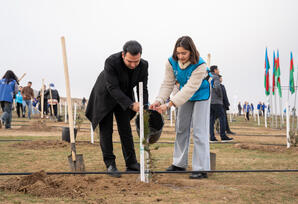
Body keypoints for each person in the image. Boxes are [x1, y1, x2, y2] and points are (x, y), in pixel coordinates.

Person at [150, 36, 211, 179]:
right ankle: (179, 163)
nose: (181, 56)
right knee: (181, 127)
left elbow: (190, 88)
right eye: (178, 53)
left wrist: (169, 104)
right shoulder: (171, 62)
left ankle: (201, 168)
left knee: (199, 130)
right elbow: (168, 83)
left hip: (201, 93)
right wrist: (159, 100)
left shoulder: (200, 65)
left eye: (184, 53)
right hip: (183, 95)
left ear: (191, 51)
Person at [86, 40, 148, 178]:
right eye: (130, 61)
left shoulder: (143, 65)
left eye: (136, 61)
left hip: (124, 97)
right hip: (105, 95)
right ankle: (110, 164)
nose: (133, 65)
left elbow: (143, 87)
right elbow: (112, 87)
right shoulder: (111, 62)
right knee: (106, 130)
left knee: (125, 129)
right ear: (123, 55)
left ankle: (131, 163)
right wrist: (132, 105)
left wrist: (145, 105)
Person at [209, 66, 233, 142]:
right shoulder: (216, 77)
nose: (219, 71)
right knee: (222, 117)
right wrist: (220, 96)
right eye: (218, 69)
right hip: (216, 101)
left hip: (209, 101)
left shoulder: (208, 77)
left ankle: (212, 137)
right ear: (215, 70)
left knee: (211, 119)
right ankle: (223, 136)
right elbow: (217, 87)